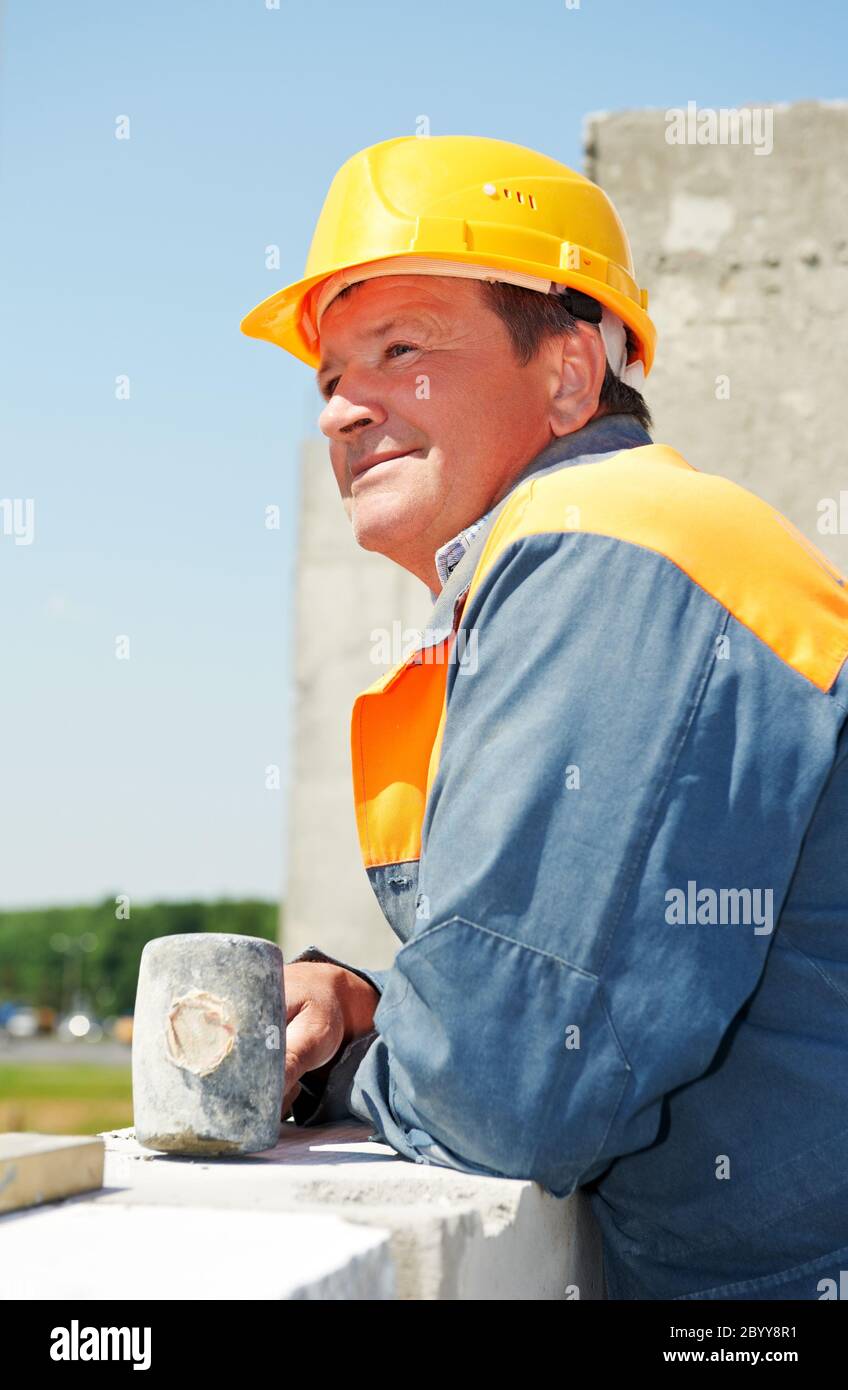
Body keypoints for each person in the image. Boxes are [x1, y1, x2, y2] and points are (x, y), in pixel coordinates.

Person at [240, 135, 848, 1300]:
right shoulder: (596, 556)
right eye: (327, 375)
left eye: (398, 350)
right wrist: (378, 1007)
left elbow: (511, 1083)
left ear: (569, 374)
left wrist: (351, 1061)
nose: (339, 410)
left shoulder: (615, 545)